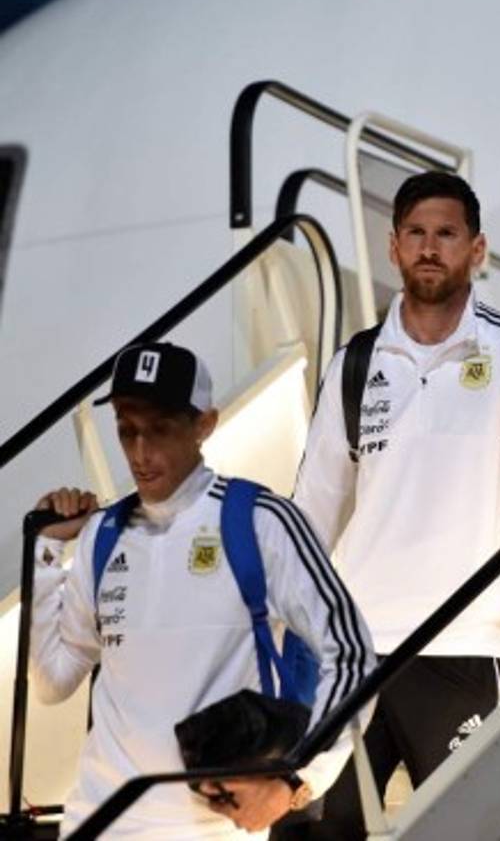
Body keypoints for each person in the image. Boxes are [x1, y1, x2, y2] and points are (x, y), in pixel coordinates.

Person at [293, 170, 500, 838]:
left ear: (476, 249)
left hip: (464, 643)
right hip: (353, 655)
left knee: (472, 831)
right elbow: (309, 515)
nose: (429, 248)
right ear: (392, 246)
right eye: (415, 234)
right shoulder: (353, 364)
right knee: (330, 831)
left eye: (445, 234)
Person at [30, 341, 375, 840]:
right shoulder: (102, 535)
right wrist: (45, 553)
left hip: (212, 830)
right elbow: (53, 680)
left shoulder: (261, 520)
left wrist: (294, 779)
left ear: (204, 425)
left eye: (161, 430)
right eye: (128, 432)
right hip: (98, 820)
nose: (140, 453)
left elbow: (353, 655)